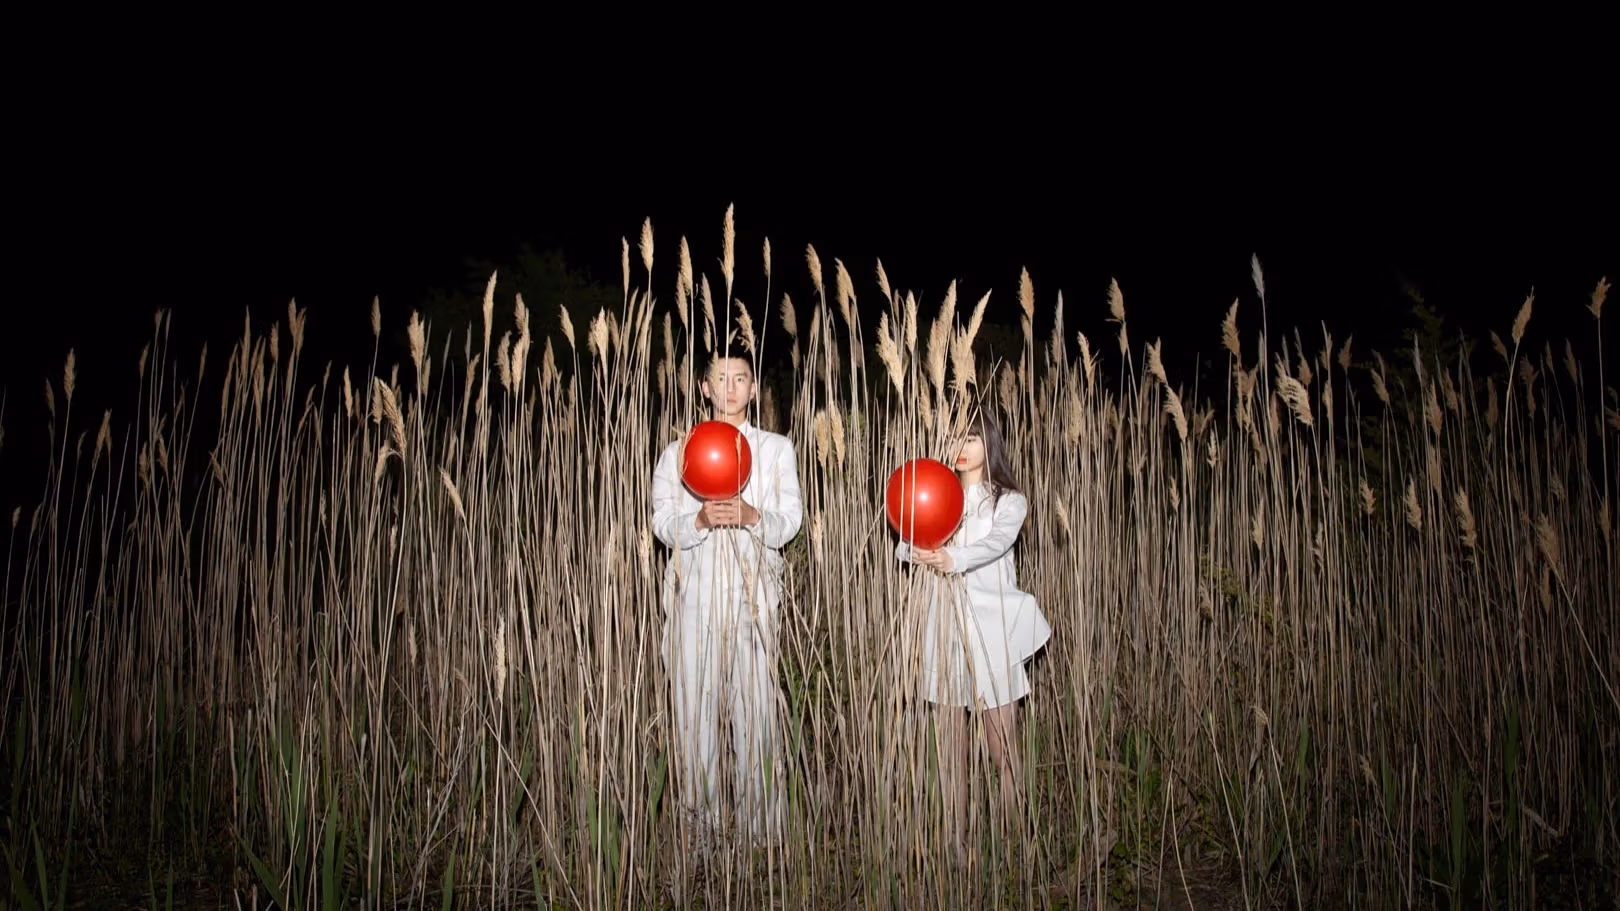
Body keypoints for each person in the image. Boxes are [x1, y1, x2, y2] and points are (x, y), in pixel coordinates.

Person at [651, 353, 803, 849]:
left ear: (754, 388)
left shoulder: (777, 450)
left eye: (741, 378)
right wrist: (697, 523)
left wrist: (752, 515)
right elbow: (660, 522)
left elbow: (790, 522)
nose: (731, 387)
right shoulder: (678, 452)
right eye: (721, 379)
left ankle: (764, 836)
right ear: (704, 388)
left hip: (755, 600)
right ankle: (704, 835)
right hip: (692, 601)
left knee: (757, 714)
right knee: (695, 717)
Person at [896, 410, 1050, 834]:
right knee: (952, 751)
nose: (963, 448)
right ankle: (954, 846)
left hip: (992, 630)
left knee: (1002, 746)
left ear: (990, 444)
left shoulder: (1008, 500)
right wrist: (920, 552)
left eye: (973, 439)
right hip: (943, 628)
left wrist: (953, 557)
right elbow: (903, 544)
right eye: (957, 439)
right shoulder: (934, 491)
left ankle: (1016, 841)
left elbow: (999, 543)